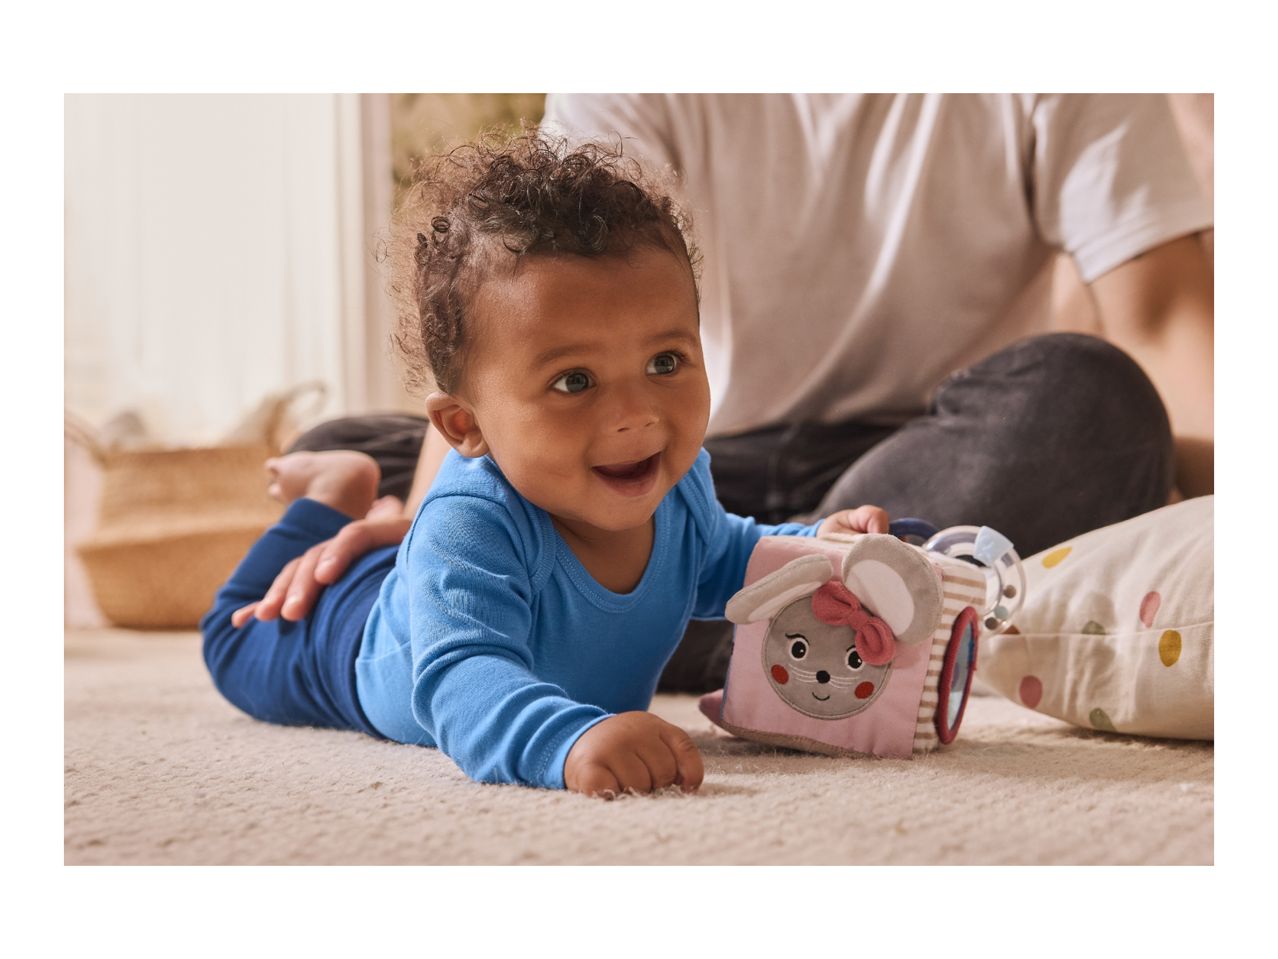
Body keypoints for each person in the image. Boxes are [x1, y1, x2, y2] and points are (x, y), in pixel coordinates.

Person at [280, 94, 1214, 693]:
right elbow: (529, 308)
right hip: (672, 455)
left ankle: (688, 600)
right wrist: (433, 516)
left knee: (1094, 400)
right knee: (372, 437)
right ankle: (772, 609)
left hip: (919, 453)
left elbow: (1166, 322)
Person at [201, 132, 895, 796]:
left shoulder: (680, 486)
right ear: (465, 426)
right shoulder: (472, 522)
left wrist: (829, 549)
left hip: (420, 576)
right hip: (339, 643)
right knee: (230, 639)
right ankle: (327, 494)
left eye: (665, 362)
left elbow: (731, 558)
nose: (637, 415)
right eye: (574, 381)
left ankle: (353, 495)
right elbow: (462, 676)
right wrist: (562, 743)